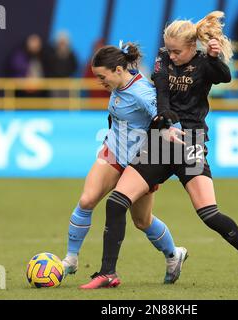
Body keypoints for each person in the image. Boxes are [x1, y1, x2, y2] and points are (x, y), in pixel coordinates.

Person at [81, 11, 238, 289]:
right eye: (169, 49)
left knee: (209, 214)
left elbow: (225, 76)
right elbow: (162, 93)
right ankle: (108, 273)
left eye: (177, 51)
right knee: (117, 201)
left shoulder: (204, 63)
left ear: (193, 47)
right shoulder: (164, 59)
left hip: (190, 142)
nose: (172, 55)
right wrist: (167, 120)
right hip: (161, 140)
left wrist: (214, 56)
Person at [62, 42, 187, 288]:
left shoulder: (142, 92)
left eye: (102, 77)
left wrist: (171, 129)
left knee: (142, 221)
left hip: (139, 163)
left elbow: (163, 113)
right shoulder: (120, 83)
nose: (100, 82)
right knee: (87, 200)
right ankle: (71, 259)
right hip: (112, 153)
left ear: (119, 69)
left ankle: (174, 254)